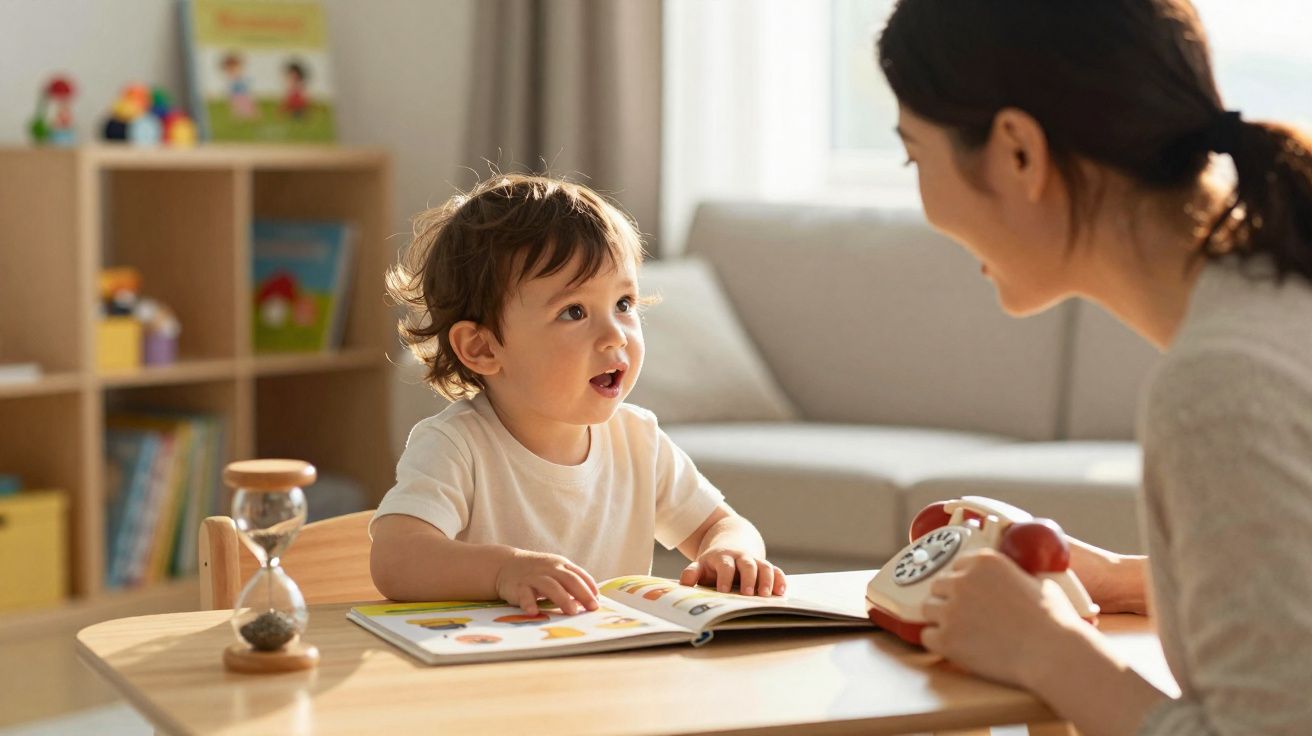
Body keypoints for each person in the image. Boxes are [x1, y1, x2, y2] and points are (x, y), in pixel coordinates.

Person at [876, 0, 1312, 733]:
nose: (920, 201)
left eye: (915, 156)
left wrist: (1049, 650)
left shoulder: (1223, 383)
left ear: (1019, 151)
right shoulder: (1277, 307)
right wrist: (1131, 581)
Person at [370, 174, 787, 616]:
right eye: (574, 312)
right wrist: (504, 571)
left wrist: (731, 552)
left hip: (608, 670)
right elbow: (396, 558)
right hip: (492, 672)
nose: (614, 336)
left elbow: (721, 526)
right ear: (483, 348)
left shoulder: (638, 439)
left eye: (624, 304)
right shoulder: (457, 445)